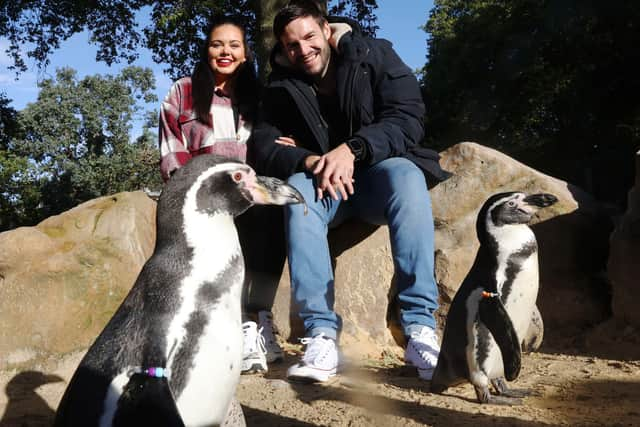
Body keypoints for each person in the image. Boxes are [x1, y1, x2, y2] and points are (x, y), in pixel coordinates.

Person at [249, 0, 451, 383]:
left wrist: (353, 149)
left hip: (377, 173)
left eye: (309, 37)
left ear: (326, 30)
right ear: (283, 48)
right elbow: (264, 144)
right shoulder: (278, 86)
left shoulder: (375, 54)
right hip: (323, 184)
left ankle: (420, 329)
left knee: (407, 177)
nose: (303, 50)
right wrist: (309, 161)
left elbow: (408, 117)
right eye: (292, 45)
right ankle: (321, 335)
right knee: (297, 192)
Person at [158, 16, 289, 375]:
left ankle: (256, 324)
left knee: (270, 217)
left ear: (246, 54)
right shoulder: (181, 92)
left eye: (234, 45)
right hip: (202, 198)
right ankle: (222, 334)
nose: (225, 52)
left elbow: (270, 144)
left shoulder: (259, 97)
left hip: (249, 196)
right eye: (218, 44)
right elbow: (173, 155)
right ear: (207, 49)